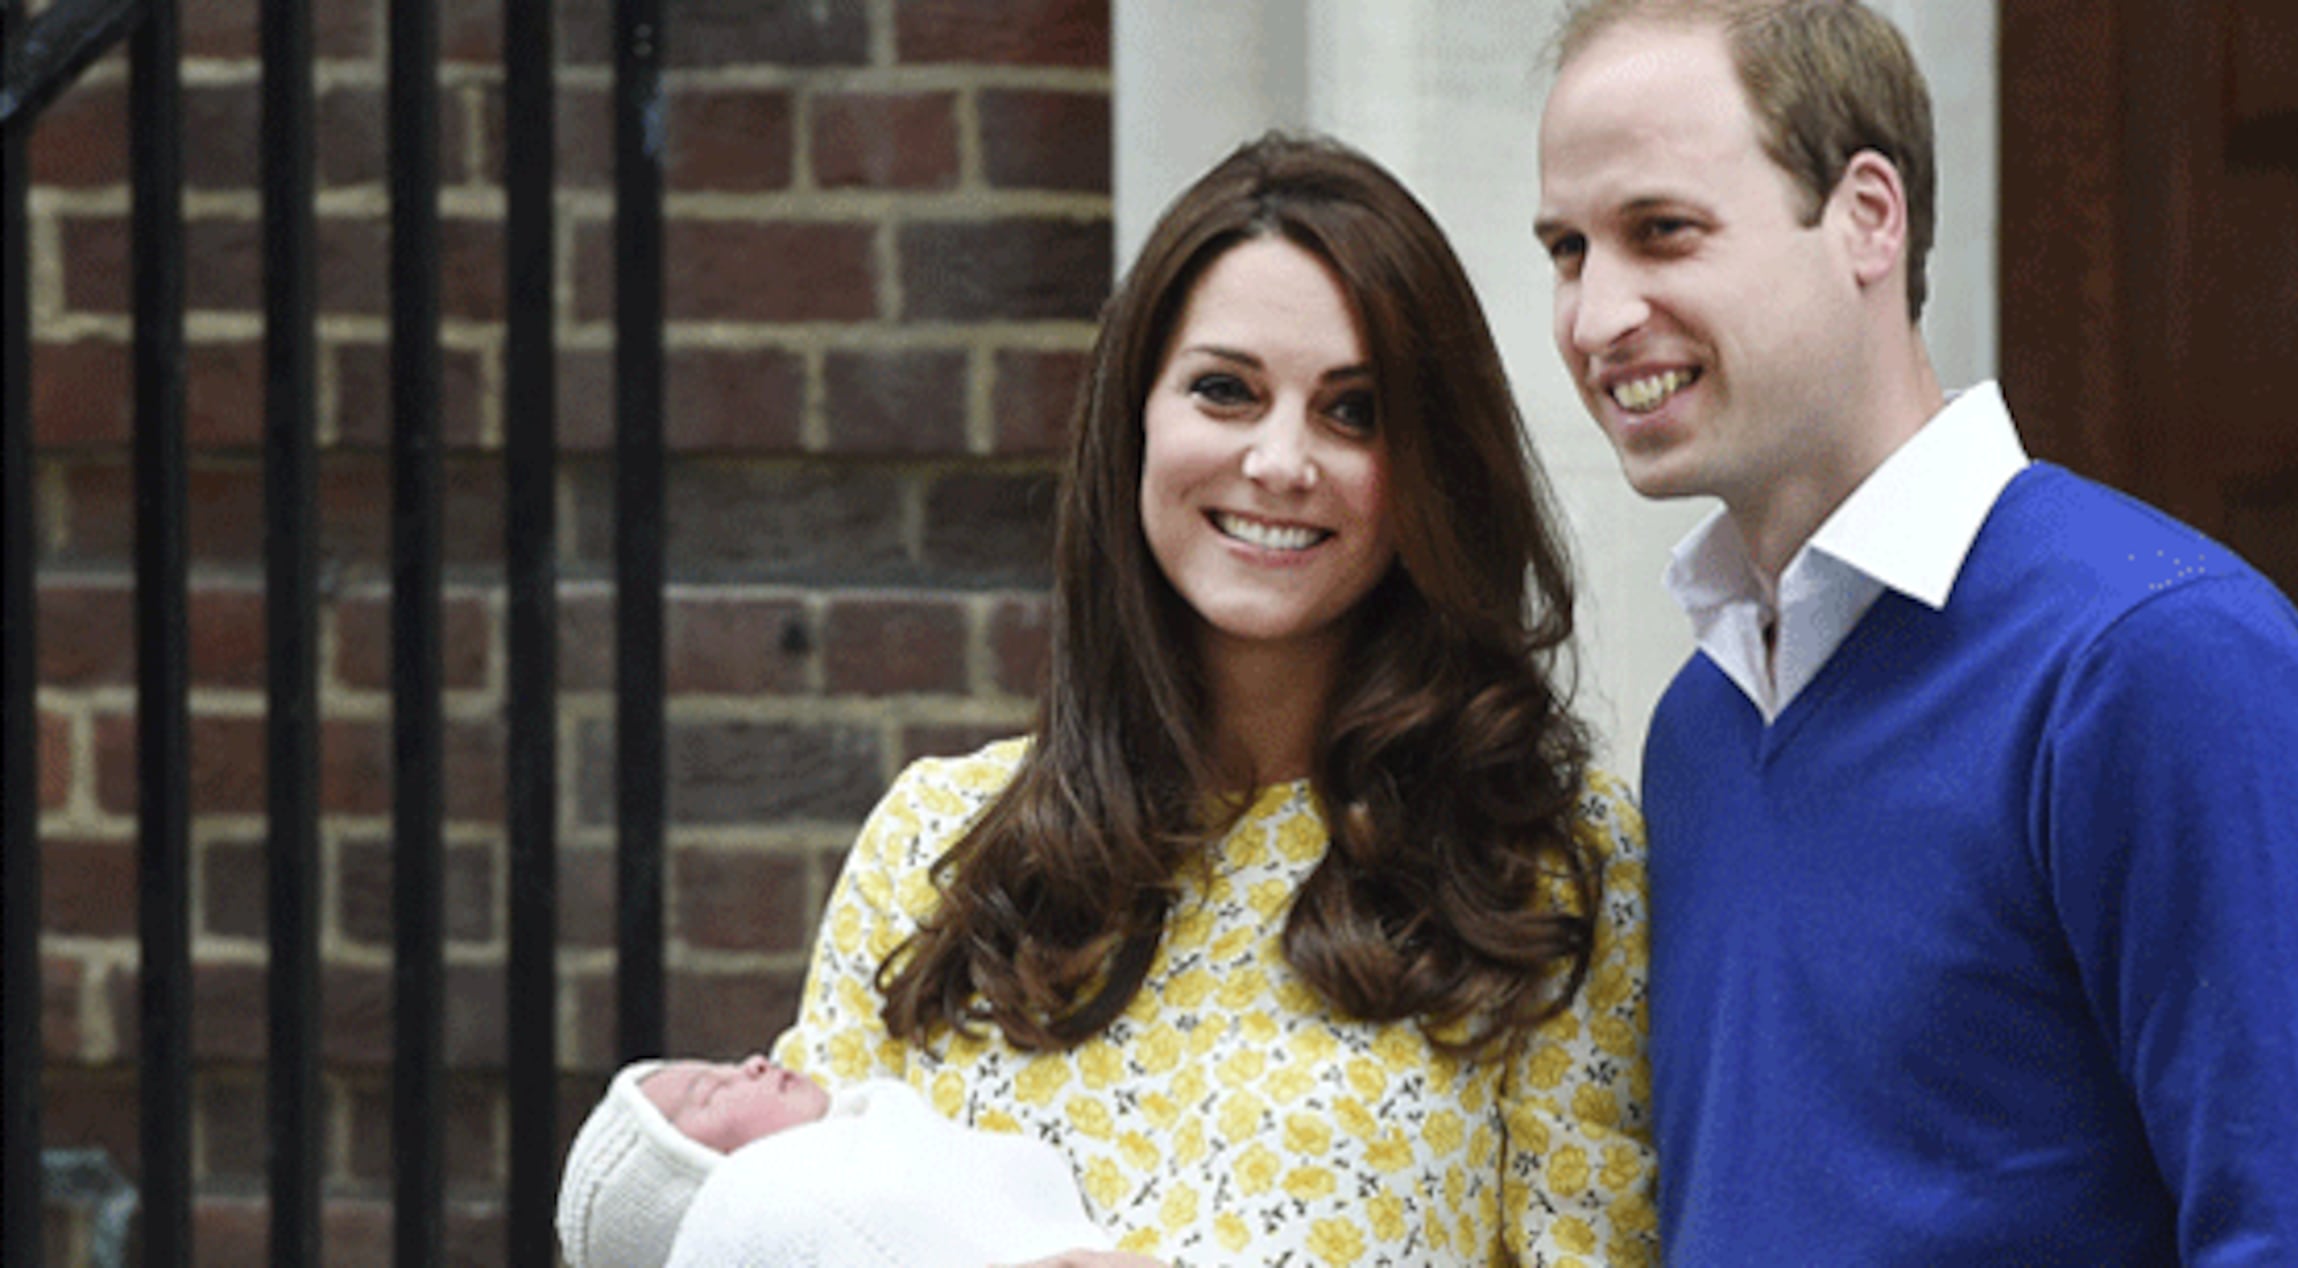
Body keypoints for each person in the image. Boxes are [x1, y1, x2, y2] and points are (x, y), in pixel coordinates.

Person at [1532, 0, 2298, 1262]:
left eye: (1661, 232)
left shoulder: (2156, 657)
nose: (1594, 317)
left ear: (1867, 216)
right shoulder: (1702, 727)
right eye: (1568, 250)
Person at [770, 132, 1655, 1266]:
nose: (1281, 460)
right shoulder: (932, 845)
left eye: (1353, 411)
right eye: (1225, 391)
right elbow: (765, 1229)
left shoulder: (1551, 875)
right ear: (1136, 416)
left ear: (1431, 465)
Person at [554, 1054, 1111, 1267]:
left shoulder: (886, 1131)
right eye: (710, 1091)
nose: (751, 1063)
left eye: (722, 1064)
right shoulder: (774, 1203)